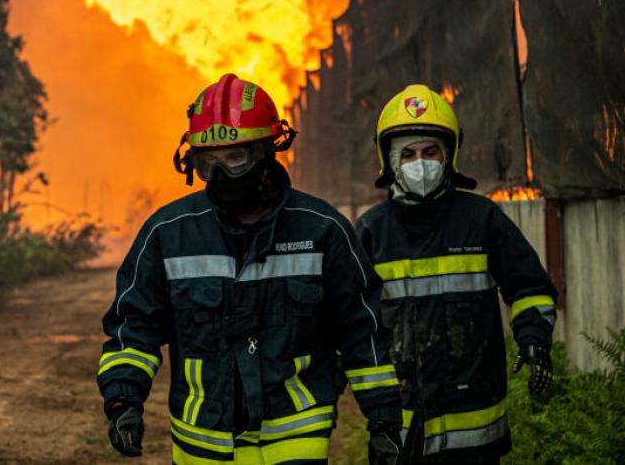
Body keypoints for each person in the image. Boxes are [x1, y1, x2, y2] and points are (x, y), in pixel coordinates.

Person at [97, 73, 403, 465]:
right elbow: (133, 327)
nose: (222, 176)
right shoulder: (168, 234)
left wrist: (384, 422)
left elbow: (363, 331)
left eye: (235, 159)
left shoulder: (322, 230)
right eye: (209, 163)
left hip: (296, 441)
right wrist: (123, 400)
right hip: (203, 447)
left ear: (267, 152)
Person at [354, 84, 558, 464]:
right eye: (408, 154)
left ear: (449, 154)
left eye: (430, 152)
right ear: (390, 160)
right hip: (402, 426)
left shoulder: (482, 219)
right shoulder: (370, 232)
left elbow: (529, 286)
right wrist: (376, 414)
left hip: (475, 424)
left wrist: (534, 337)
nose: (420, 164)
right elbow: (351, 324)